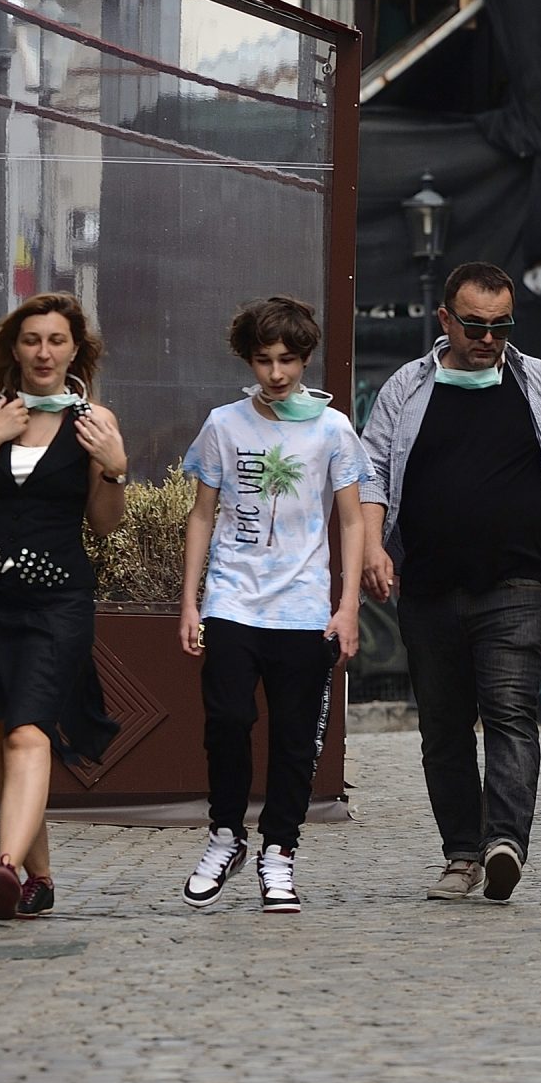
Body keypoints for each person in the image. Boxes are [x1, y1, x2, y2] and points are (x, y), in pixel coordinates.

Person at [358, 262, 541, 904]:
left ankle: (505, 843)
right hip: (429, 587)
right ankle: (461, 854)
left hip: (518, 583)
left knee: (509, 715)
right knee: (443, 730)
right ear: (445, 319)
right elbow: (370, 473)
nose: (489, 339)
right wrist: (371, 549)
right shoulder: (406, 388)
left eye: (501, 326)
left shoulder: (538, 383)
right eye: (475, 325)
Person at [0, 293, 129, 921]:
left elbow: (103, 526)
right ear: (13, 349)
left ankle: (5, 865)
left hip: (56, 603)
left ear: (76, 350)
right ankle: (38, 877)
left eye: (56, 340)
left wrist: (115, 468)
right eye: (31, 340)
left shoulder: (94, 419)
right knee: (0, 737)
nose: (44, 352)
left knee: (28, 731)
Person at [176, 296, 368, 914]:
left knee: (293, 740)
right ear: (248, 360)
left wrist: (348, 607)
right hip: (233, 599)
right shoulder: (224, 425)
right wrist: (191, 602)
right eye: (264, 360)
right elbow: (201, 515)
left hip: (305, 607)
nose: (277, 373)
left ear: (306, 358)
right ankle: (225, 835)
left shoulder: (333, 429)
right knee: (228, 720)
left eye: (288, 359)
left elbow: (352, 521)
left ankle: (279, 851)